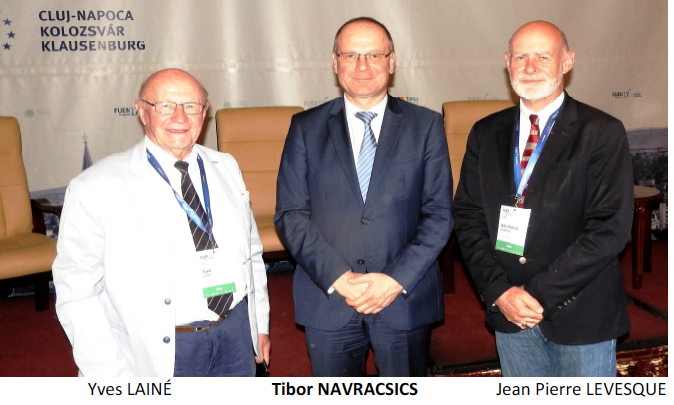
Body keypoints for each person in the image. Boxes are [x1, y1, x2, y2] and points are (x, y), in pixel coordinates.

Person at [53, 68, 270, 377]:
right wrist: (110, 375)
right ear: (142, 112)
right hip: (167, 347)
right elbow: (78, 293)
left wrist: (258, 324)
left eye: (191, 106)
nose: (180, 117)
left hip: (234, 332)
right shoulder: (96, 187)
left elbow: (251, 253)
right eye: (166, 105)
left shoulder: (226, 166)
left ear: (204, 113)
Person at [274, 17, 452, 377]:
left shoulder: (426, 126)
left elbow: (439, 214)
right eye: (351, 54)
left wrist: (393, 280)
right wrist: (340, 277)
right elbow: (291, 214)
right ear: (334, 62)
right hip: (329, 297)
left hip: (402, 297)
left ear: (391, 61)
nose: (362, 66)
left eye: (373, 54)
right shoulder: (305, 128)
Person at [453, 21, 632, 377]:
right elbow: (469, 217)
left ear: (567, 62)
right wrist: (499, 292)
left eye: (543, 56)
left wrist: (533, 296)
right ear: (507, 62)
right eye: (520, 56)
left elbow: (608, 230)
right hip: (508, 315)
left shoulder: (601, 132)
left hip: (580, 316)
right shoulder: (485, 133)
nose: (530, 66)